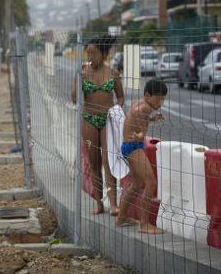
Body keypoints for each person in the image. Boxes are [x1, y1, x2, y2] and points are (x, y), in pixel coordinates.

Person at [71, 36, 125, 215]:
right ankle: (99, 203)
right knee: (94, 163)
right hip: (89, 120)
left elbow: (121, 96)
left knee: (108, 161)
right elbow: (73, 98)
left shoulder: (112, 73)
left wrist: (116, 111)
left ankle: (113, 204)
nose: (90, 56)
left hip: (107, 120)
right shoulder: (84, 72)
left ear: (103, 54)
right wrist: (77, 78)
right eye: (88, 52)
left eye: (93, 52)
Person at [116, 79, 167, 234]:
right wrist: (140, 135)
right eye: (158, 99)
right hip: (134, 146)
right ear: (147, 95)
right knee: (151, 182)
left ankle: (121, 217)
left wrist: (151, 119)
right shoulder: (144, 108)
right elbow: (140, 133)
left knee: (137, 184)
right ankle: (144, 224)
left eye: (163, 99)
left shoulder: (140, 103)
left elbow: (136, 119)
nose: (160, 103)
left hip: (128, 146)